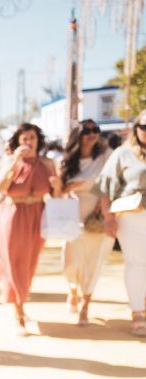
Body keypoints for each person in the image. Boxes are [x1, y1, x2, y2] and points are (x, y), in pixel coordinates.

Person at [0, 123, 62, 333]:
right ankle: (18, 309)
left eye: (32, 138)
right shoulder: (5, 163)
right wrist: (15, 161)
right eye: (24, 139)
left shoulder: (48, 163)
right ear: (17, 142)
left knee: (30, 261)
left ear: (38, 140)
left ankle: (21, 301)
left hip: (38, 214)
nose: (29, 142)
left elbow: (55, 195)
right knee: (14, 261)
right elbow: (0, 188)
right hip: (13, 214)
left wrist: (57, 186)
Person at [58, 119, 114, 326]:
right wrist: (70, 187)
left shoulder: (105, 156)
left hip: (98, 216)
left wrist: (102, 201)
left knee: (93, 263)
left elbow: (113, 182)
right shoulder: (67, 161)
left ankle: (85, 305)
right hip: (71, 218)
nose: (92, 134)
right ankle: (73, 290)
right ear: (78, 135)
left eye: (95, 130)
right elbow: (57, 190)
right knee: (70, 263)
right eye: (86, 131)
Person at [97, 110, 146, 337]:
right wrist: (108, 219)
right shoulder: (123, 154)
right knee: (137, 264)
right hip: (132, 216)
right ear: (137, 129)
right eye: (144, 127)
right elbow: (104, 188)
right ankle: (137, 311)